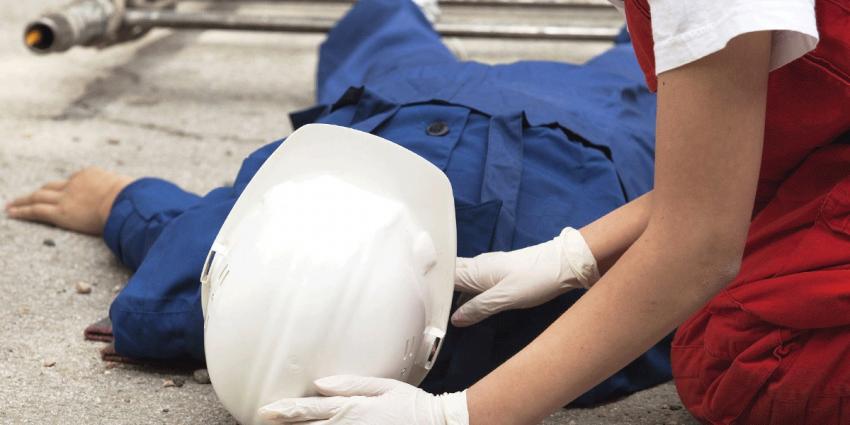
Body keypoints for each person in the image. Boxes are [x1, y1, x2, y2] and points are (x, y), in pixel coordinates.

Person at [5, 0, 671, 409]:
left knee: (646, 64)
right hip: (506, 118)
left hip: (420, 107)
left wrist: (119, 201)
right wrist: (117, 200)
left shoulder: (572, 345)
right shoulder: (582, 339)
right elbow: (184, 245)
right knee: (653, 56)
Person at [243, 0, 850, 424]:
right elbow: (725, 172)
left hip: (549, 138)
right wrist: (573, 254)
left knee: (742, 367)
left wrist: (462, 415)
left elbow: (701, 245)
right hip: (593, 144)